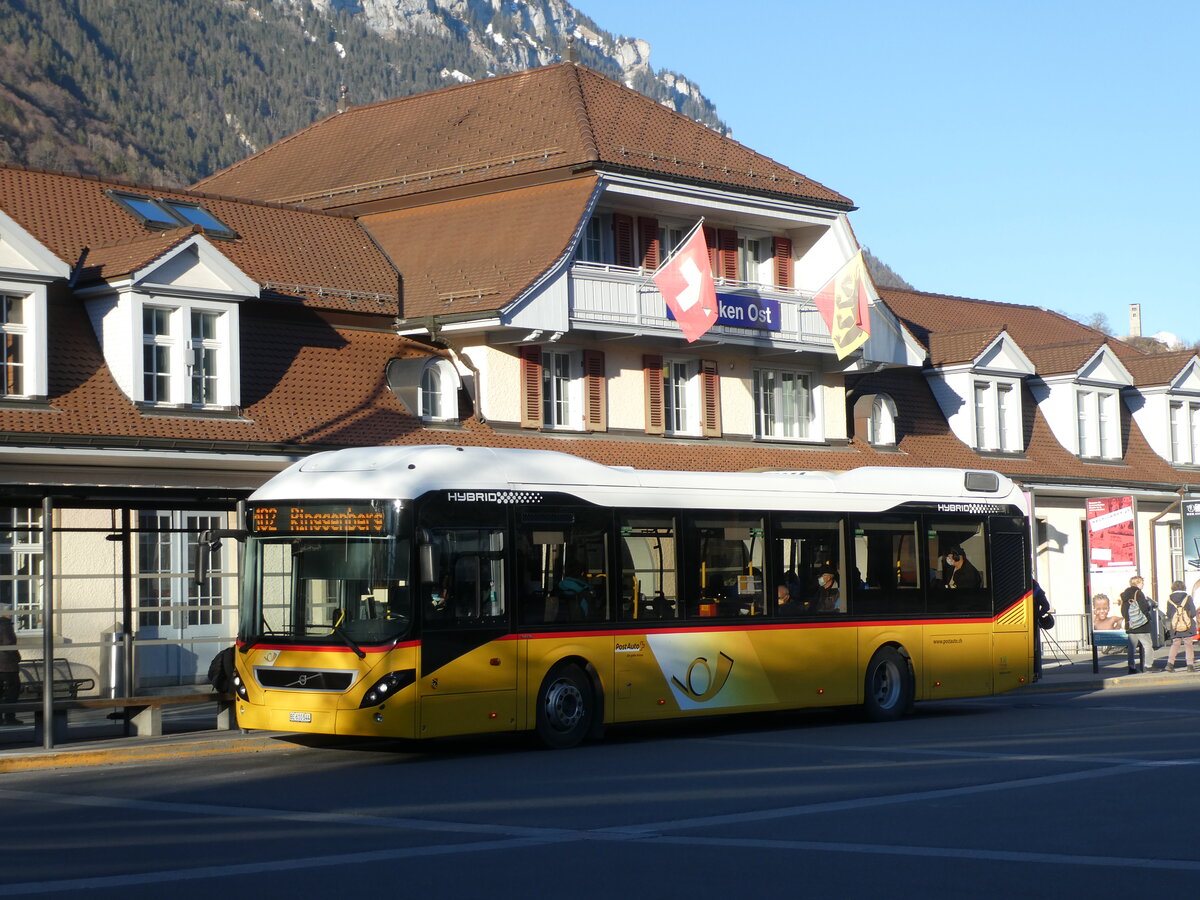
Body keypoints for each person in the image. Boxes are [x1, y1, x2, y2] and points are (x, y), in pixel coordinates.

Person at [1120, 575, 1155, 673]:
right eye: (1142, 582)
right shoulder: (1138, 593)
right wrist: (1148, 618)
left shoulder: (1124, 595)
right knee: (1148, 645)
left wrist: (1128, 619)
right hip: (1141, 625)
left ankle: (1131, 667)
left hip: (1130, 625)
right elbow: (1144, 608)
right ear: (1137, 583)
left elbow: (1123, 610)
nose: (1143, 584)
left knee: (1132, 648)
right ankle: (1148, 666)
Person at [1164, 580, 1197, 673]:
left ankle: (1170, 664)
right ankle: (1190, 665)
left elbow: (1169, 614)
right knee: (1188, 644)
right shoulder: (1187, 597)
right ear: (1184, 587)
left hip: (1175, 626)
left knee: (1175, 644)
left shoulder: (1170, 599)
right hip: (1188, 625)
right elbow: (1193, 612)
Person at [0, 604, 20, 725]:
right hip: (7, 664)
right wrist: (17, 656)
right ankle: (10, 717)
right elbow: (9, 645)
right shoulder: (5, 626)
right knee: (13, 690)